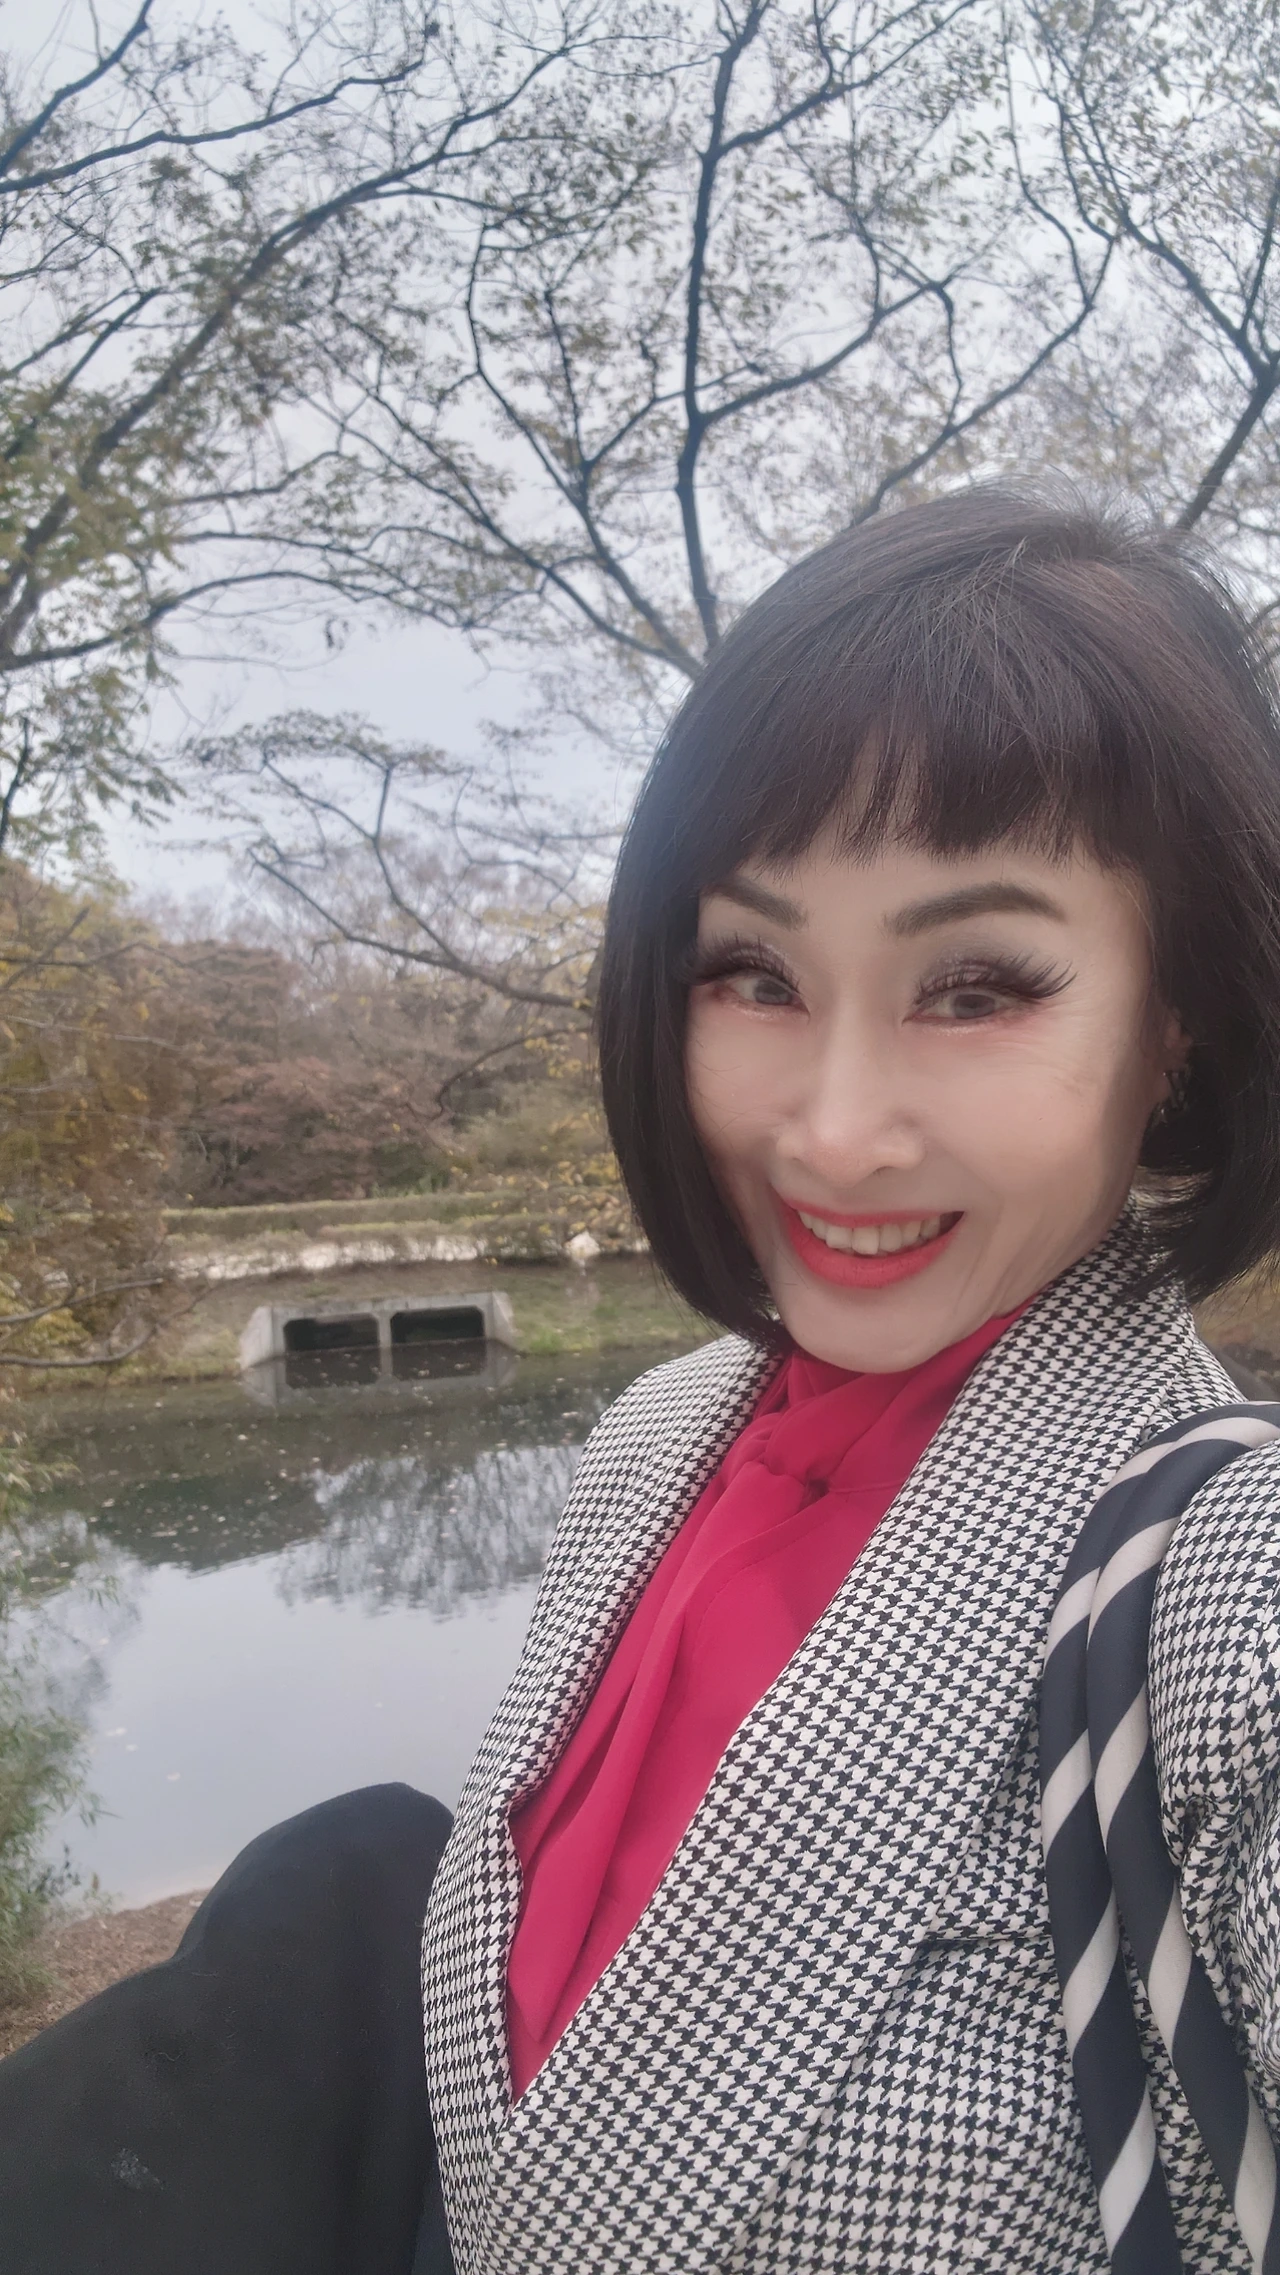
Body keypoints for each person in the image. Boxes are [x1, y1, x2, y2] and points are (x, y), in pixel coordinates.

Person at [5, 485, 1280, 2274]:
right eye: (753, 971)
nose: (829, 1130)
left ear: (1176, 1023)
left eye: (977, 984)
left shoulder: (1224, 1593)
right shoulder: (656, 1435)